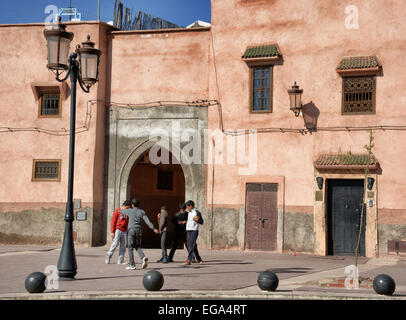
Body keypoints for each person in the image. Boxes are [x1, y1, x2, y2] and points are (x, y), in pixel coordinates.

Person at [119, 198, 160, 270]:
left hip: (131, 230)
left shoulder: (129, 211)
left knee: (130, 247)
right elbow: (147, 221)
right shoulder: (142, 212)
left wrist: (124, 207)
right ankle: (143, 257)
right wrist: (154, 229)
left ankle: (132, 264)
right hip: (139, 230)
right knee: (137, 246)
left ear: (132, 205)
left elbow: (120, 211)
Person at [105, 200, 131, 265]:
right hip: (118, 230)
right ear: (124, 206)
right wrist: (112, 232)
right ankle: (108, 256)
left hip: (124, 231)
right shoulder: (118, 211)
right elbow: (113, 221)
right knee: (115, 244)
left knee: (123, 246)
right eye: (127, 208)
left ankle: (120, 260)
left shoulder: (127, 212)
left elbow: (128, 222)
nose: (128, 209)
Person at [184, 200, 204, 265]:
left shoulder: (197, 212)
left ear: (191, 206)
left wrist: (198, 220)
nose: (187, 208)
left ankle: (189, 260)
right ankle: (199, 259)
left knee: (190, 244)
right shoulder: (189, 212)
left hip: (194, 230)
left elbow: (202, 222)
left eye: (187, 207)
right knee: (193, 245)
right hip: (189, 230)